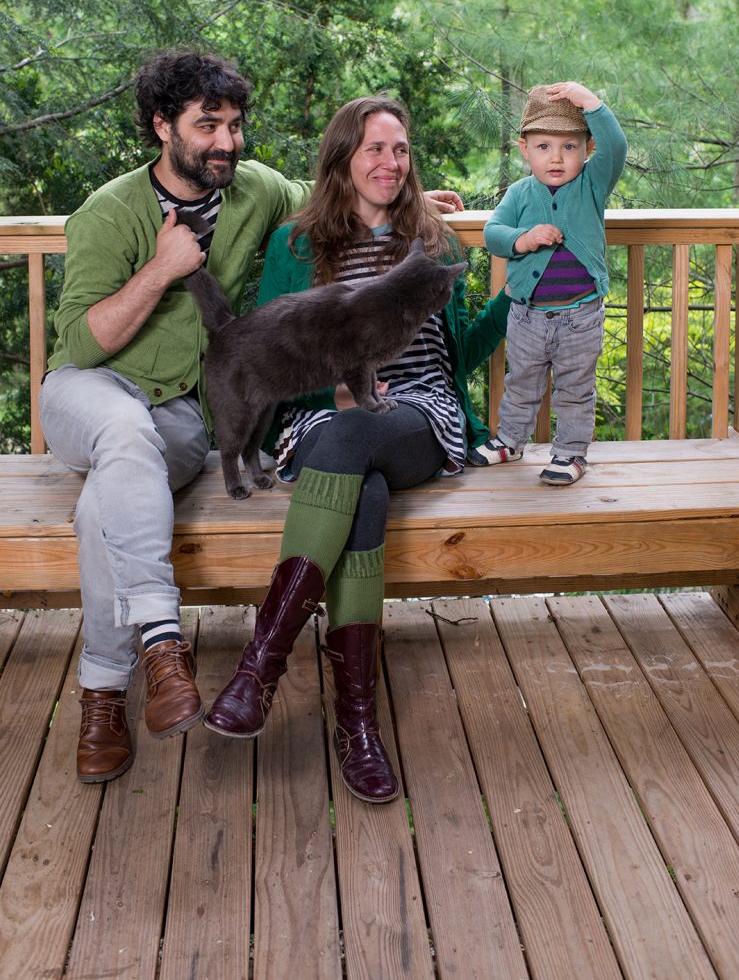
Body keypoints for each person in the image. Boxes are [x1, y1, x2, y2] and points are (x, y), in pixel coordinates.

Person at [39, 51, 464, 785]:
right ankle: (163, 646)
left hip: (182, 411)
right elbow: (80, 342)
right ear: (161, 126)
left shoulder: (254, 191)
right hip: (92, 389)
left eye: (234, 125)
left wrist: (416, 192)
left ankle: (110, 688)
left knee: (106, 500)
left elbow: (341, 180)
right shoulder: (109, 212)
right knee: (125, 436)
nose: (227, 142)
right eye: (209, 126)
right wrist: (163, 266)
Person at [203, 95, 511, 804]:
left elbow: (453, 354)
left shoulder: (433, 241)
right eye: (374, 148)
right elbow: (269, 351)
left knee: (354, 437)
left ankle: (258, 670)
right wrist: (326, 398)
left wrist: (510, 301)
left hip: (418, 416)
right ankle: (358, 725)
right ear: (342, 157)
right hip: (319, 418)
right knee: (357, 482)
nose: (389, 162)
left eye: (400, 149)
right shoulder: (298, 246)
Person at [482, 81, 627, 485]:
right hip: (528, 316)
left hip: (581, 315)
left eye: (569, 146)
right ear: (524, 149)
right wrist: (522, 240)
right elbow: (493, 233)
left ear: (587, 150)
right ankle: (510, 441)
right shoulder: (519, 193)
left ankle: (571, 454)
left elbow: (618, 147)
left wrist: (591, 102)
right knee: (521, 381)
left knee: (575, 388)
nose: (557, 158)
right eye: (544, 146)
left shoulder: (591, 186)